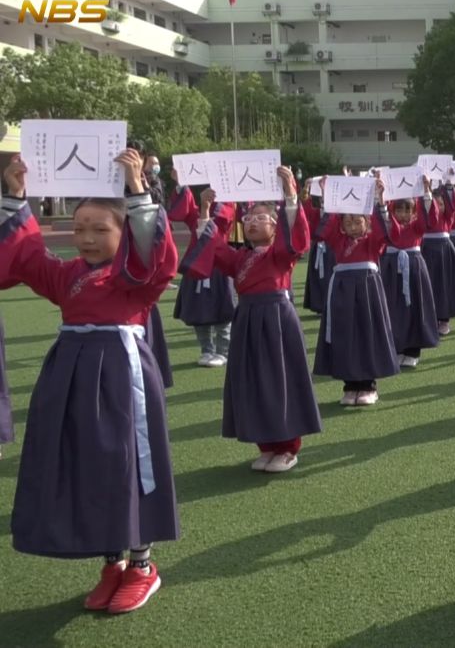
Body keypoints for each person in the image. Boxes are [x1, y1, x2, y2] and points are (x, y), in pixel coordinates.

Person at [0, 150, 178, 614]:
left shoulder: (135, 280)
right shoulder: (67, 275)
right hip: (72, 375)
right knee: (88, 464)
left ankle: (142, 565)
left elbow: (155, 258)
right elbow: (24, 257)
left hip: (122, 375)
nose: (87, 238)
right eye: (80, 229)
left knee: (125, 463)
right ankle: (111, 562)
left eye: (101, 229)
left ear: (124, 233)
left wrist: (138, 190)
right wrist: (17, 197)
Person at [184, 169, 321, 473]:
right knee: (253, 381)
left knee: (280, 379)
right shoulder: (240, 258)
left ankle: (288, 447)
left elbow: (294, 241)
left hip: (276, 320)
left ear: (275, 227)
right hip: (247, 319)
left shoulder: (279, 255)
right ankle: (266, 444)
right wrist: (206, 212)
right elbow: (215, 251)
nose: (254, 223)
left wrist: (289, 196)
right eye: (248, 220)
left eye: (262, 219)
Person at [313, 176, 399, 405]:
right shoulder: (337, 240)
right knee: (345, 336)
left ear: (367, 222)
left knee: (366, 335)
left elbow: (386, 234)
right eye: (347, 222)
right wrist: (328, 197)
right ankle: (350, 386)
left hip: (367, 291)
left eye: (357, 221)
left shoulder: (372, 242)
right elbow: (324, 231)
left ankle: (368, 385)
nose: (352, 226)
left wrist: (381, 202)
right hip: (342, 292)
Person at [169, 176, 236, 366]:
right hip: (196, 265)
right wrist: (181, 183)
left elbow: (219, 224)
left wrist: (207, 207)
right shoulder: (196, 211)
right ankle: (206, 350)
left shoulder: (228, 207)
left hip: (218, 265)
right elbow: (182, 210)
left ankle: (223, 351)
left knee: (223, 311)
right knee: (198, 312)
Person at [382, 196, 441, 368]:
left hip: (414, 269)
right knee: (393, 308)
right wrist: (382, 201)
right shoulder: (390, 225)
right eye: (399, 210)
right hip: (391, 269)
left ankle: (413, 350)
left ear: (414, 212)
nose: (403, 214)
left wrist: (427, 195)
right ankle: (397, 347)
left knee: (415, 308)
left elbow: (429, 219)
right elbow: (382, 225)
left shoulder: (417, 227)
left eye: (408, 210)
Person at [419, 176, 455, 336]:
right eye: (436, 204)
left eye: (441, 204)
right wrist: (426, 191)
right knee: (429, 286)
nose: (438, 207)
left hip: (444, 250)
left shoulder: (449, 216)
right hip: (426, 250)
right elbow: (425, 207)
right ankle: (430, 317)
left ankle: (444, 319)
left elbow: (452, 203)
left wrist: (448, 183)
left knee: (444, 285)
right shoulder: (424, 218)